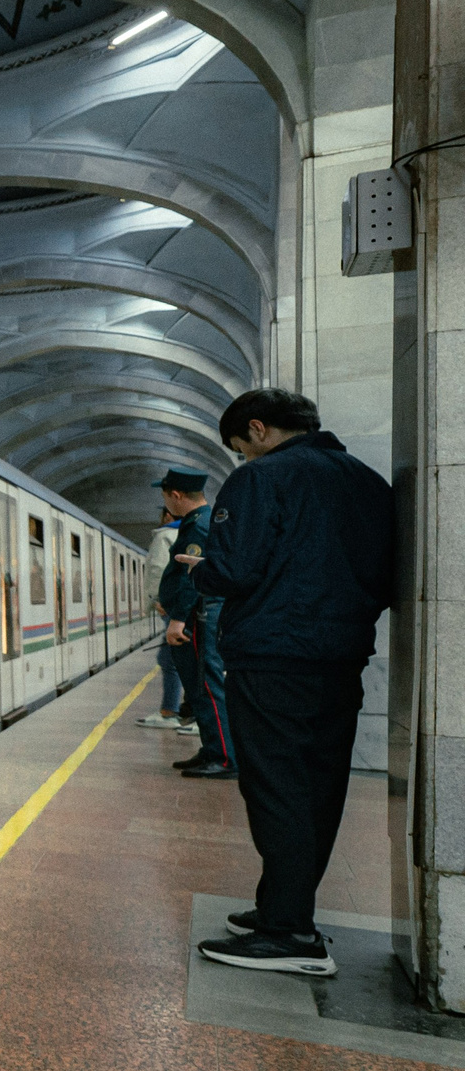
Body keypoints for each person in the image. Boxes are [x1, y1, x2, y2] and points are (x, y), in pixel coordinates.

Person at [185, 388, 395, 977]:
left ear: (257, 429)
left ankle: (289, 934)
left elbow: (232, 569)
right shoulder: (368, 482)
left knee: (275, 787)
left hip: (275, 657)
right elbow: (387, 577)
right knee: (317, 787)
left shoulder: (261, 480)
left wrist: (199, 571)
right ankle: (281, 907)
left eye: (239, 449)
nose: (242, 461)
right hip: (340, 655)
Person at [155, 470, 233, 778]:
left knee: (207, 687)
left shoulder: (199, 525)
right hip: (196, 615)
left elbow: (193, 577)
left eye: (164, 497)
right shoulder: (200, 522)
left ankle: (225, 758)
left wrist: (177, 618)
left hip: (198, 616)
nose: (165, 503)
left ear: (175, 495)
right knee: (200, 689)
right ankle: (212, 749)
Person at [134, 496, 197, 735]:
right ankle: (179, 711)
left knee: (174, 660)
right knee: (175, 659)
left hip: (171, 607)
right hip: (182, 606)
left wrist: (160, 600)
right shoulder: (191, 532)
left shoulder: (165, 536)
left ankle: (176, 713)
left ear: (168, 515)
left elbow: (161, 570)